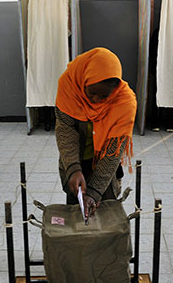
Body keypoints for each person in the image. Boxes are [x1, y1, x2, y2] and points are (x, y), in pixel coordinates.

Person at [55, 47, 136, 219]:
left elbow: (113, 153)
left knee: (106, 215)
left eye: (104, 97)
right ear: (83, 80)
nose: (96, 100)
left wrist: (94, 191)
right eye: (91, 93)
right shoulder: (69, 85)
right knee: (76, 215)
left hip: (104, 168)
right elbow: (65, 132)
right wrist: (73, 169)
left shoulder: (124, 101)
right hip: (75, 161)